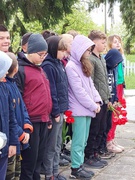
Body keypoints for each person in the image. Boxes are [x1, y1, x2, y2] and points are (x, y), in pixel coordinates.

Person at [16, 33, 52, 180]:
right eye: (40, 54)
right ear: (30, 51)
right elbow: (18, 99)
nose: (43, 57)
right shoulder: (21, 70)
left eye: (45, 54)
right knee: (29, 162)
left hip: (43, 119)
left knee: (39, 158)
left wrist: (48, 117)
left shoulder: (40, 68)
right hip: (31, 120)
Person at [65, 34, 102, 179]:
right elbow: (78, 91)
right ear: (80, 49)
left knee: (84, 139)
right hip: (79, 109)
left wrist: (97, 100)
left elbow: (90, 86)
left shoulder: (82, 64)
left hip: (87, 109)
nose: (89, 53)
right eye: (87, 50)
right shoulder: (71, 67)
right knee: (79, 141)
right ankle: (75, 168)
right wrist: (93, 105)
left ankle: (80, 165)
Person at [41, 36, 69, 180]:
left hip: (61, 110)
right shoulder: (48, 65)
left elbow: (63, 87)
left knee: (58, 143)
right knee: (51, 145)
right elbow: (52, 91)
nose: (64, 53)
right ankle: (49, 174)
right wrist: (56, 111)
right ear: (53, 49)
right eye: (61, 50)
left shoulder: (59, 63)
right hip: (54, 112)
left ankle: (56, 170)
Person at [85, 30, 112, 167]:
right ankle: (89, 155)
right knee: (94, 129)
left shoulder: (101, 58)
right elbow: (91, 82)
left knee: (101, 128)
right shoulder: (91, 60)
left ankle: (95, 153)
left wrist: (107, 98)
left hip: (104, 99)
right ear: (94, 43)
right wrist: (95, 100)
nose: (105, 45)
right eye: (102, 42)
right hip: (96, 101)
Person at [5, 52, 33, 180]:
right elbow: (10, 118)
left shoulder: (14, 85)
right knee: (10, 173)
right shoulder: (5, 88)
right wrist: (21, 133)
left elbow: (23, 108)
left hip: (19, 139)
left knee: (17, 172)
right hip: (12, 140)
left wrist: (27, 128)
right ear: (16, 69)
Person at [0, 51, 18, 180]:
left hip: (4, 146)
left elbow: (11, 117)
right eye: (4, 69)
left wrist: (13, 142)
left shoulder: (4, 88)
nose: (7, 73)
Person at [106, 35, 126, 152]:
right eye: (114, 42)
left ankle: (112, 138)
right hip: (114, 87)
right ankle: (108, 141)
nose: (118, 44)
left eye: (119, 41)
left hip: (120, 86)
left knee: (117, 114)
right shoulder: (111, 59)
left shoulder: (120, 57)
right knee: (113, 115)